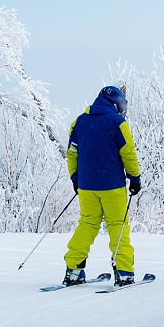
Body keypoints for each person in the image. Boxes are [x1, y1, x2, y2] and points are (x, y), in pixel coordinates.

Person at [60, 84, 142, 286]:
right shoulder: (118, 122)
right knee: (118, 226)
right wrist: (134, 177)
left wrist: (75, 178)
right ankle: (123, 272)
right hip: (112, 186)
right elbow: (128, 152)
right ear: (114, 103)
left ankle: (74, 270)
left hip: (87, 186)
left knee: (87, 223)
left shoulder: (79, 122)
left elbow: (71, 153)